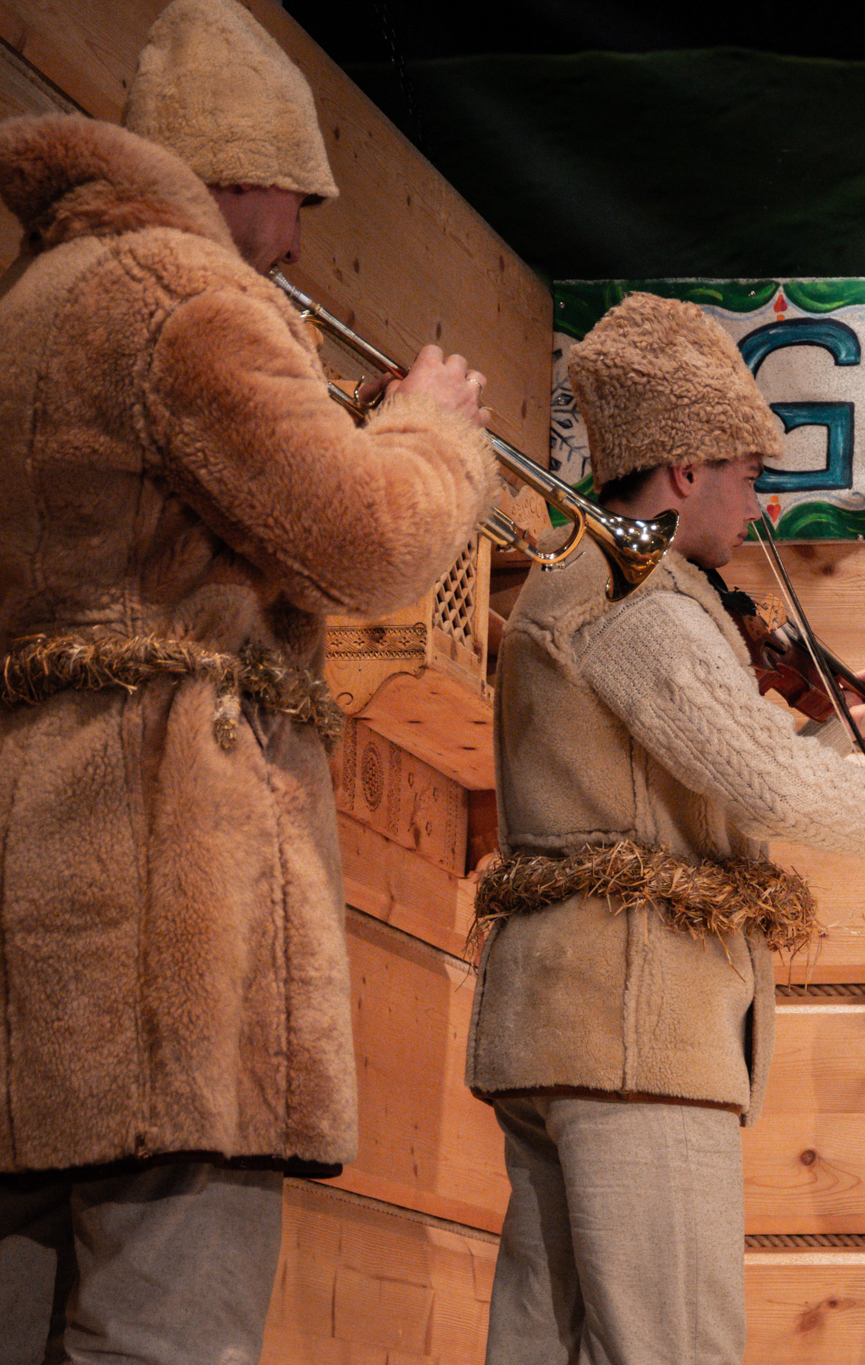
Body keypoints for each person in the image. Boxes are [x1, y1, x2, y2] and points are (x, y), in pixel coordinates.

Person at [0, 0, 496, 1358]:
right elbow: (369, 544)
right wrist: (430, 432)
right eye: (299, 201)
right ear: (245, 170)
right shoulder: (183, 297)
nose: (299, 244)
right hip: (177, 910)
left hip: (40, 905)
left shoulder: (27, 309)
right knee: (169, 1334)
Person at [465, 290, 865, 1364]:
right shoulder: (641, 598)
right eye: (747, 475)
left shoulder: (587, 581)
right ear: (686, 470)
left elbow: (686, 787)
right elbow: (762, 784)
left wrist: (832, 736)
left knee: (547, 1343)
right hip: (636, 1026)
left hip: (566, 1025)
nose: (758, 503)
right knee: (675, 1345)